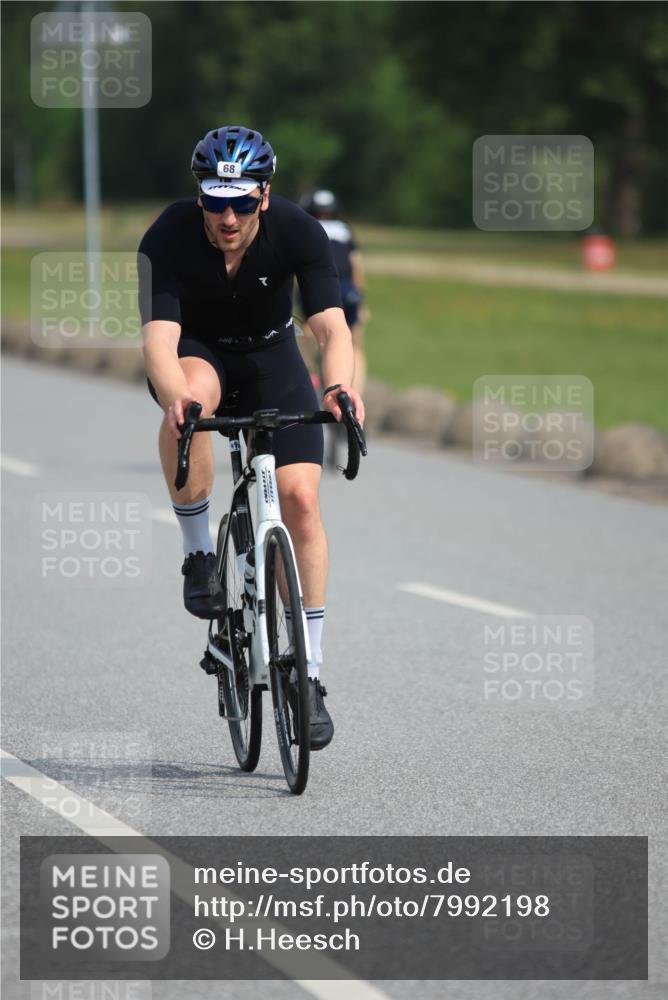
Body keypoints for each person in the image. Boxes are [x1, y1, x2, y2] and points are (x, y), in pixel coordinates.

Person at [138, 125, 365, 750]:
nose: (227, 216)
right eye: (215, 201)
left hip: (272, 361)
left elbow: (330, 327)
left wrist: (339, 388)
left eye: (241, 201)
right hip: (200, 356)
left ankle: (310, 672)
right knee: (189, 402)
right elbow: (159, 340)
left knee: (301, 502)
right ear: (200, 198)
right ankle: (198, 554)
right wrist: (176, 398)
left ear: (264, 196)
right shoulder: (168, 235)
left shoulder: (299, 231)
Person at [299, 189, 367, 397]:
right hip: (347, 289)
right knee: (354, 344)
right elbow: (356, 265)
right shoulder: (344, 230)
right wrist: (361, 302)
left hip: (318, 287)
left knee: (306, 333)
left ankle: (311, 374)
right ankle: (354, 391)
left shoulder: (307, 228)